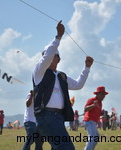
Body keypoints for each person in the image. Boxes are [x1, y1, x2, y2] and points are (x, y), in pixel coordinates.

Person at [33, 20, 94, 150]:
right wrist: (58, 37)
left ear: (58, 59)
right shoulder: (39, 71)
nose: (47, 58)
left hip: (58, 117)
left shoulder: (62, 76)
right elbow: (47, 55)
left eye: (51, 56)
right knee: (66, 148)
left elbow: (78, 85)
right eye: (44, 56)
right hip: (46, 116)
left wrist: (87, 68)